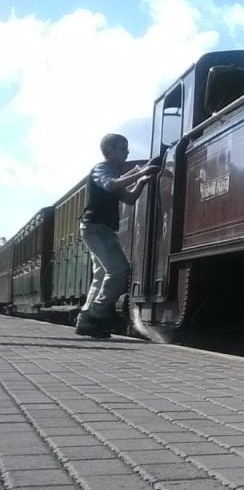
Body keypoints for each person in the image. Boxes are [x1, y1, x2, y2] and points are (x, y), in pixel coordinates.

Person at [74, 134, 161, 338]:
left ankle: (85, 321)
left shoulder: (113, 174)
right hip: (96, 227)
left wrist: (141, 181)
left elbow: (129, 198)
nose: (127, 152)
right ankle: (97, 313)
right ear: (110, 150)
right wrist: (138, 173)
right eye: (123, 148)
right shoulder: (101, 169)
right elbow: (112, 185)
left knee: (102, 276)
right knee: (119, 270)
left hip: (101, 229)